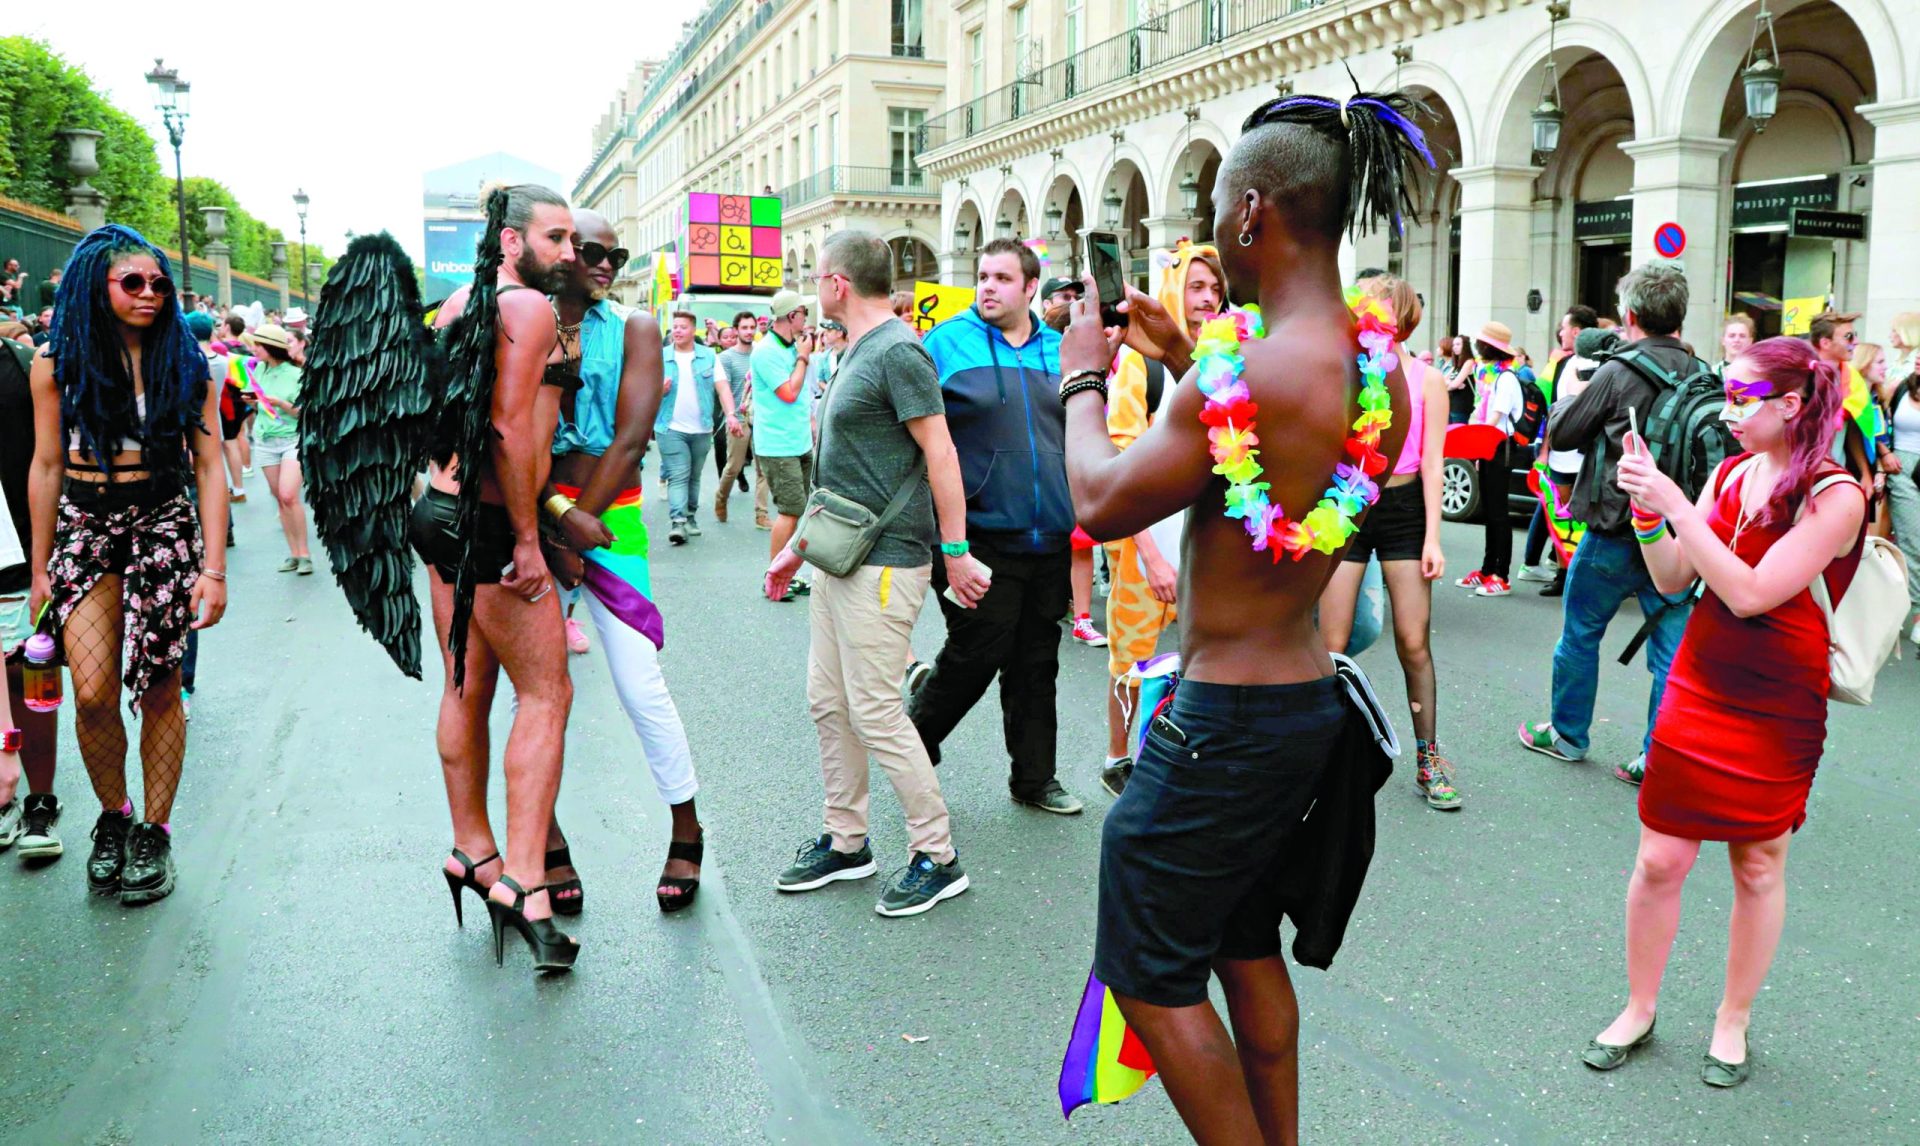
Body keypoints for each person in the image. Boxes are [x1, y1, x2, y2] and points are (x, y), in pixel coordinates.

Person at [1058, 88, 1425, 1143]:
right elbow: (1261, 465)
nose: (1215, 224)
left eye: (1221, 203)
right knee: (1241, 944)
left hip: (1221, 724)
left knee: (1149, 969)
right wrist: (1181, 363)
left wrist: (1086, 376)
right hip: (1304, 706)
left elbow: (1099, 498)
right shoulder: (1375, 373)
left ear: (1255, 212)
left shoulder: (1243, 368)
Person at [1586, 336, 1864, 1089]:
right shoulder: (1732, 471)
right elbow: (1675, 578)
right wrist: (1649, 513)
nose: (1727, 410)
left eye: (1743, 398)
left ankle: (1731, 1019)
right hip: (1701, 678)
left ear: (1792, 404)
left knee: (1759, 865)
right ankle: (1639, 1007)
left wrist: (1677, 502)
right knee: (1659, 859)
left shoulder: (1838, 494)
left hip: (1779, 695)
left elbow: (1749, 592)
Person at [764, 230, 985, 916]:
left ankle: (937, 855)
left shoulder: (897, 350)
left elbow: (941, 454)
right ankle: (847, 841)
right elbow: (845, 474)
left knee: (877, 710)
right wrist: (798, 545)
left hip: (887, 562)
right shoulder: (855, 349)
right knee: (829, 703)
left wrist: (957, 552)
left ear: (836, 284)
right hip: (838, 556)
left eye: (817, 281)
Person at [26, 225, 229, 905]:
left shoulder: (189, 363)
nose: (149, 294)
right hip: (86, 525)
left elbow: (209, 467)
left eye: (158, 283)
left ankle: (154, 830)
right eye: (132, 283)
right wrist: (38, 569)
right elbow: (47, 464)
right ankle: (112, 817)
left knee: (162, 686)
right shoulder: (56, 364)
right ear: (96, 286)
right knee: (90, 691)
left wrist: (214, 569)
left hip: (163, 523)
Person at [421, 184, 580, 972]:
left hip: (439, 510)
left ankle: (471, 853)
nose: (572, 253)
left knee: (464, 686)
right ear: (513, 241)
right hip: (488, 522)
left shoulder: (457, 305)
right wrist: (527, 537)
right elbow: (513, 429)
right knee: (548, 693)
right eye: (557, 237)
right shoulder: (527, 311)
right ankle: (525, 883)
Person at [543, 209, 706, 913]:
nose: (607, 264)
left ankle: (686, 828)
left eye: (618, 253)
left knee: (642, 688)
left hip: (611, 524)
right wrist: (550, 519)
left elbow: (635, 433)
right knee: (537, 701)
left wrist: (578, 528)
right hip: (530, 519)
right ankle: (543, 842)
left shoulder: (637, 327)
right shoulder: (519, 320)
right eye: (592, 251)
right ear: (559, 253)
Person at [911, 237, 1084, 816]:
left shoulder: (1061, 350)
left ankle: (1035, 779)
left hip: (1050, 534)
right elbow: (916, 438)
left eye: (1002, 278)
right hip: (975, 534)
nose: (987, 286)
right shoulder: (946, 343)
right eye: (983, 276)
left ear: (1031, 288)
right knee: (978, 649)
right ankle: (913, 742)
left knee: (1037, 660)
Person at [1520, 262, 1699, 783]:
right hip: (1678, 533)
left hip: (1616, 529)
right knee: (1669, 653)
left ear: (1632, 314)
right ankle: (1658, 757)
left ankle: (1569, 734)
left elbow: (1568, 433)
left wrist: (1576, 387)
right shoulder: (1703, 372)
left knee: (1580, 634)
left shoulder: (1617, 371)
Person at [1319, 274, 1459, 809]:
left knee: (1413, 640)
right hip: (1352, 503)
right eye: (1361, 309)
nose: (1366, 318)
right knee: (1331, 645)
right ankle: (1325, 753)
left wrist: (1435, 540)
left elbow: (1433, 463)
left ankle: (1429, 756)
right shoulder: (1348, 373)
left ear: (1400, 316)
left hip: (1404, 513)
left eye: (1377, 308)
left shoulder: (1427, 381)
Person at [1092, 241, 1222, 796]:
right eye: (1197, 287)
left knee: (1199, 661)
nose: (1208, 298)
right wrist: (1150, 555)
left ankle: (1176, 752)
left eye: (1215, 289)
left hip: (1208, 548)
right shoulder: (1141, 366)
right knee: (1133, 660)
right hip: (1149, 548)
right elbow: (1122, 466)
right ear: (1174, 292)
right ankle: (1119, 759)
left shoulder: (1229, 363)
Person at [1, 329, 61, 863]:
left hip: (22, 557)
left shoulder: (23, 366)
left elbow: (49, 462)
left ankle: (40, 803)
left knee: (32, 681)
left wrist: (48, 559)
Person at [1519, 305, 1600, 594]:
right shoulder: (1564, 364)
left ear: (1576, 332)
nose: (1560, 333)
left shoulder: (1603, 366)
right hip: (1561, 457)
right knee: (1561, 516)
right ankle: (1564, 573)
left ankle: (1582, 576)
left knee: (1585, 518)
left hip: (1588, 456)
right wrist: (1544, 452)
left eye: (1564, 328)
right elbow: (1553, 411)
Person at [750, 292, 816, 598]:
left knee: (800, 511)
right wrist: (803, 357)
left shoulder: (793, 345)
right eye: (803, 312)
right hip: (778, 445)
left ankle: (787, 573)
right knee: (790, 512)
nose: (806, 318)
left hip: (799, 439)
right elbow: (788, 392)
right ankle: (773, 576)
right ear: (792, 316)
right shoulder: (765, 351)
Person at [1453, 321, 1523, 597]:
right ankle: (1486, 569)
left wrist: (1476, 442)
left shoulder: (1506, 378)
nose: (1477, 347)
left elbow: (1495, 418)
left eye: (1481, 343)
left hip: (1500, 446)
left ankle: (1501, 575)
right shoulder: (1492, 375)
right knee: (1490, 512)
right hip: (1490, 446)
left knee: (1498, 513)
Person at [656, 310, 737, 545]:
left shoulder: (709, 356)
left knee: (694, 475)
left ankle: (690, 515)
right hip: (669, 427)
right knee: (679, 474)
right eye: (675, 327)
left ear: (693, 331)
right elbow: (645, 391)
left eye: (683, 327)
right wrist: (659, 391)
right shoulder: (660, 357)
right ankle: (678, 522)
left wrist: (731, 415)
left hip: (702, 428)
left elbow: (722, 388)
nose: (678, 331)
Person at [244, 324, 312, 573]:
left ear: (270, 347)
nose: (254, 349)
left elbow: (304, 411)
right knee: (280, 499)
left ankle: (304, 554)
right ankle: (293, 553)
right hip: (265, 440)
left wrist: (280, 403)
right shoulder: (258, 370)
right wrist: (253, 400)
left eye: (258, 345)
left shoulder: (295, 374)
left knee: (288, 495)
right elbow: (260, 406)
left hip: (292, 440)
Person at [1881, 342, 1920, 644]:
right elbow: (1875, 421)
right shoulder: (1900, 389)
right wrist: (1884, 453)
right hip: (1903, 468)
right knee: (1912, 541)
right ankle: (1918, 614)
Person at [715, 310, 765, 526]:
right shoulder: (725, 358)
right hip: (738, 417)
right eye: (744, 328)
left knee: (763, 468)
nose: (749, 331)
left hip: (761, 417)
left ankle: (761, 514)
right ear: (736, 331)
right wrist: (731, 416)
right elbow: (723, 389)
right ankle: (721, 498)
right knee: (734, 466)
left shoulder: (761, 354)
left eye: (752, 327)